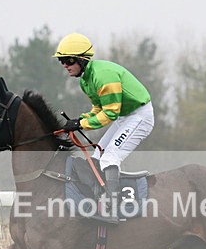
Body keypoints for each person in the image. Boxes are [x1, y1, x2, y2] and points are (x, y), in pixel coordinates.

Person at [53, 32, 154, 223]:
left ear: (82, 60)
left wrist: (81, 124)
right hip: (125, 116)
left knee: (110, 157)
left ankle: (113, 208)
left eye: (68, 60)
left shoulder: (103, 76)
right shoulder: (85, 81)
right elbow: (99, 109)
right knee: (97, 158)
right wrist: (79, 120)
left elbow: (110, 114)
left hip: (140, 116)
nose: (65, 65)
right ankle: (99, 200)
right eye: (61, 61)